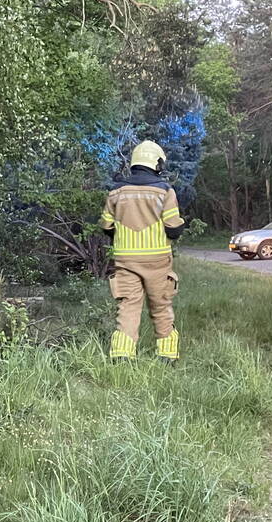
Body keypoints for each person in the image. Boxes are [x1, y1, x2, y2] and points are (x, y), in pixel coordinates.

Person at [98, 141, 186, 362]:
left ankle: (122, 355)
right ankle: (167, 355)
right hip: (157, 262)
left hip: (126, 261)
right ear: (157, 162)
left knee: (127, 307)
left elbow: (106, 226)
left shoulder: (116, 192)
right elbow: (173, 228)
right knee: (161, 306)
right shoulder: (165, 191)